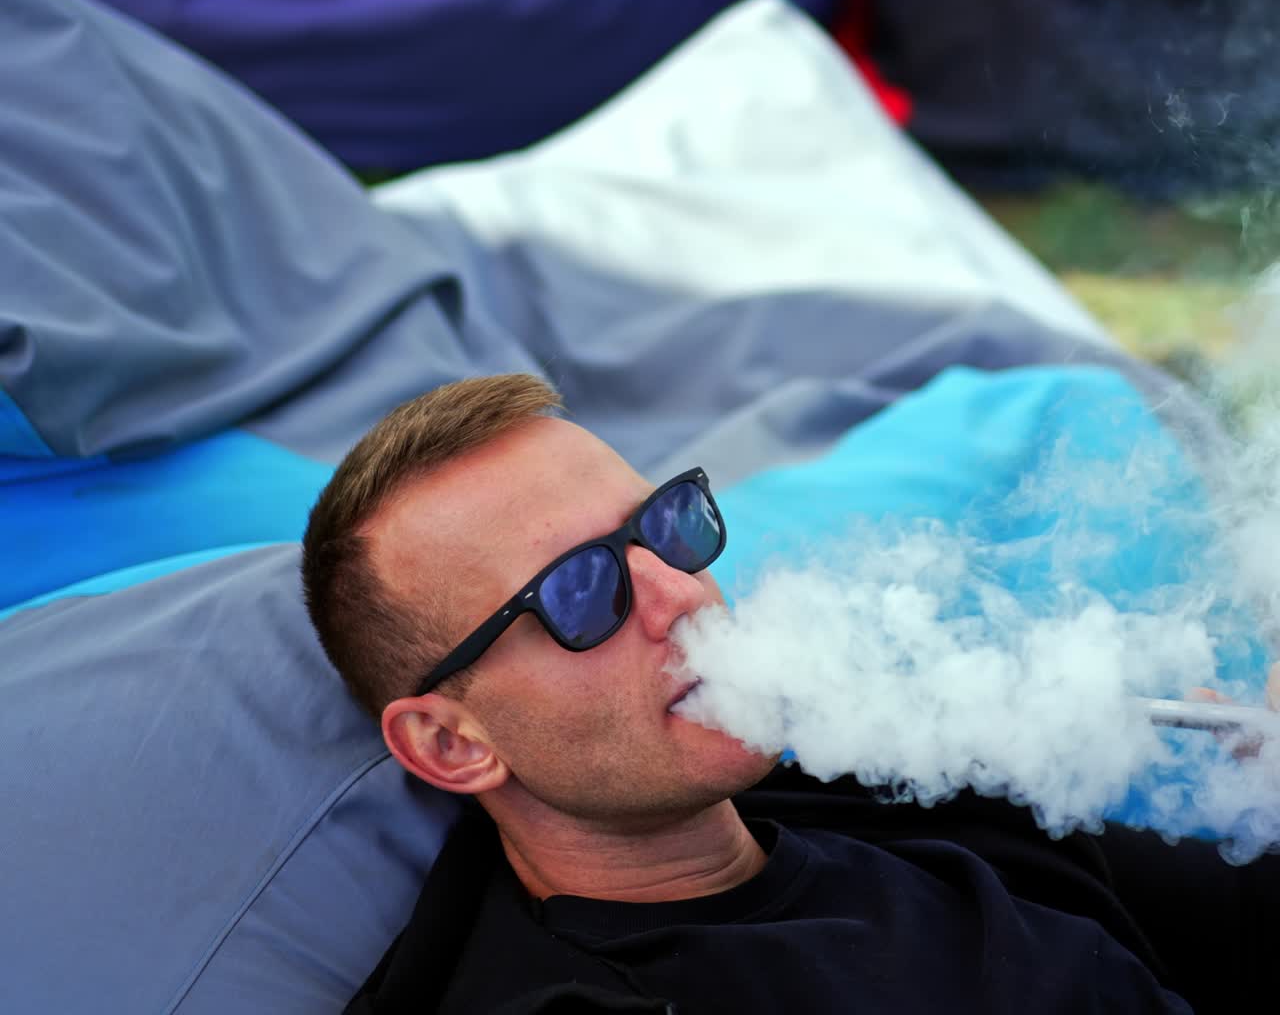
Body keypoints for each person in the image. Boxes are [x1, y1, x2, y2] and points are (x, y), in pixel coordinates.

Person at [302, 373, 1272, 1013]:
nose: (680, 595)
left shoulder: (872, 770)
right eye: (581, 590)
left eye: (666, 525)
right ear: (450, 743)